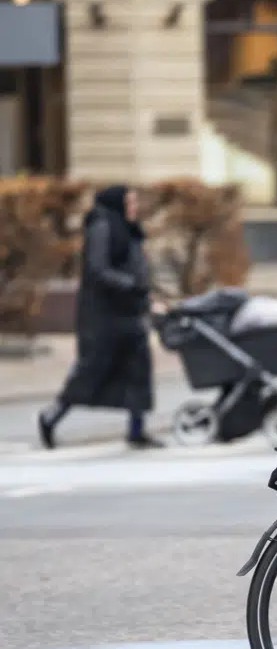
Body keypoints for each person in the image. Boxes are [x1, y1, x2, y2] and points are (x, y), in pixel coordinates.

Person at [38, 185, 161, 450]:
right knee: (92, 370)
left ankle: (137, 431)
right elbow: (98, 269)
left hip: (129, 310)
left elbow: (135, 266)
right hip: (103, 315)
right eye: (129, 202)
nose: (133, 207)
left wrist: (144, 291)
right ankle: (51, 416)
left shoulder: (129, 229)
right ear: (116, 204)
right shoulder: (102, 226)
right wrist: (131, 284)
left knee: (138, 369)